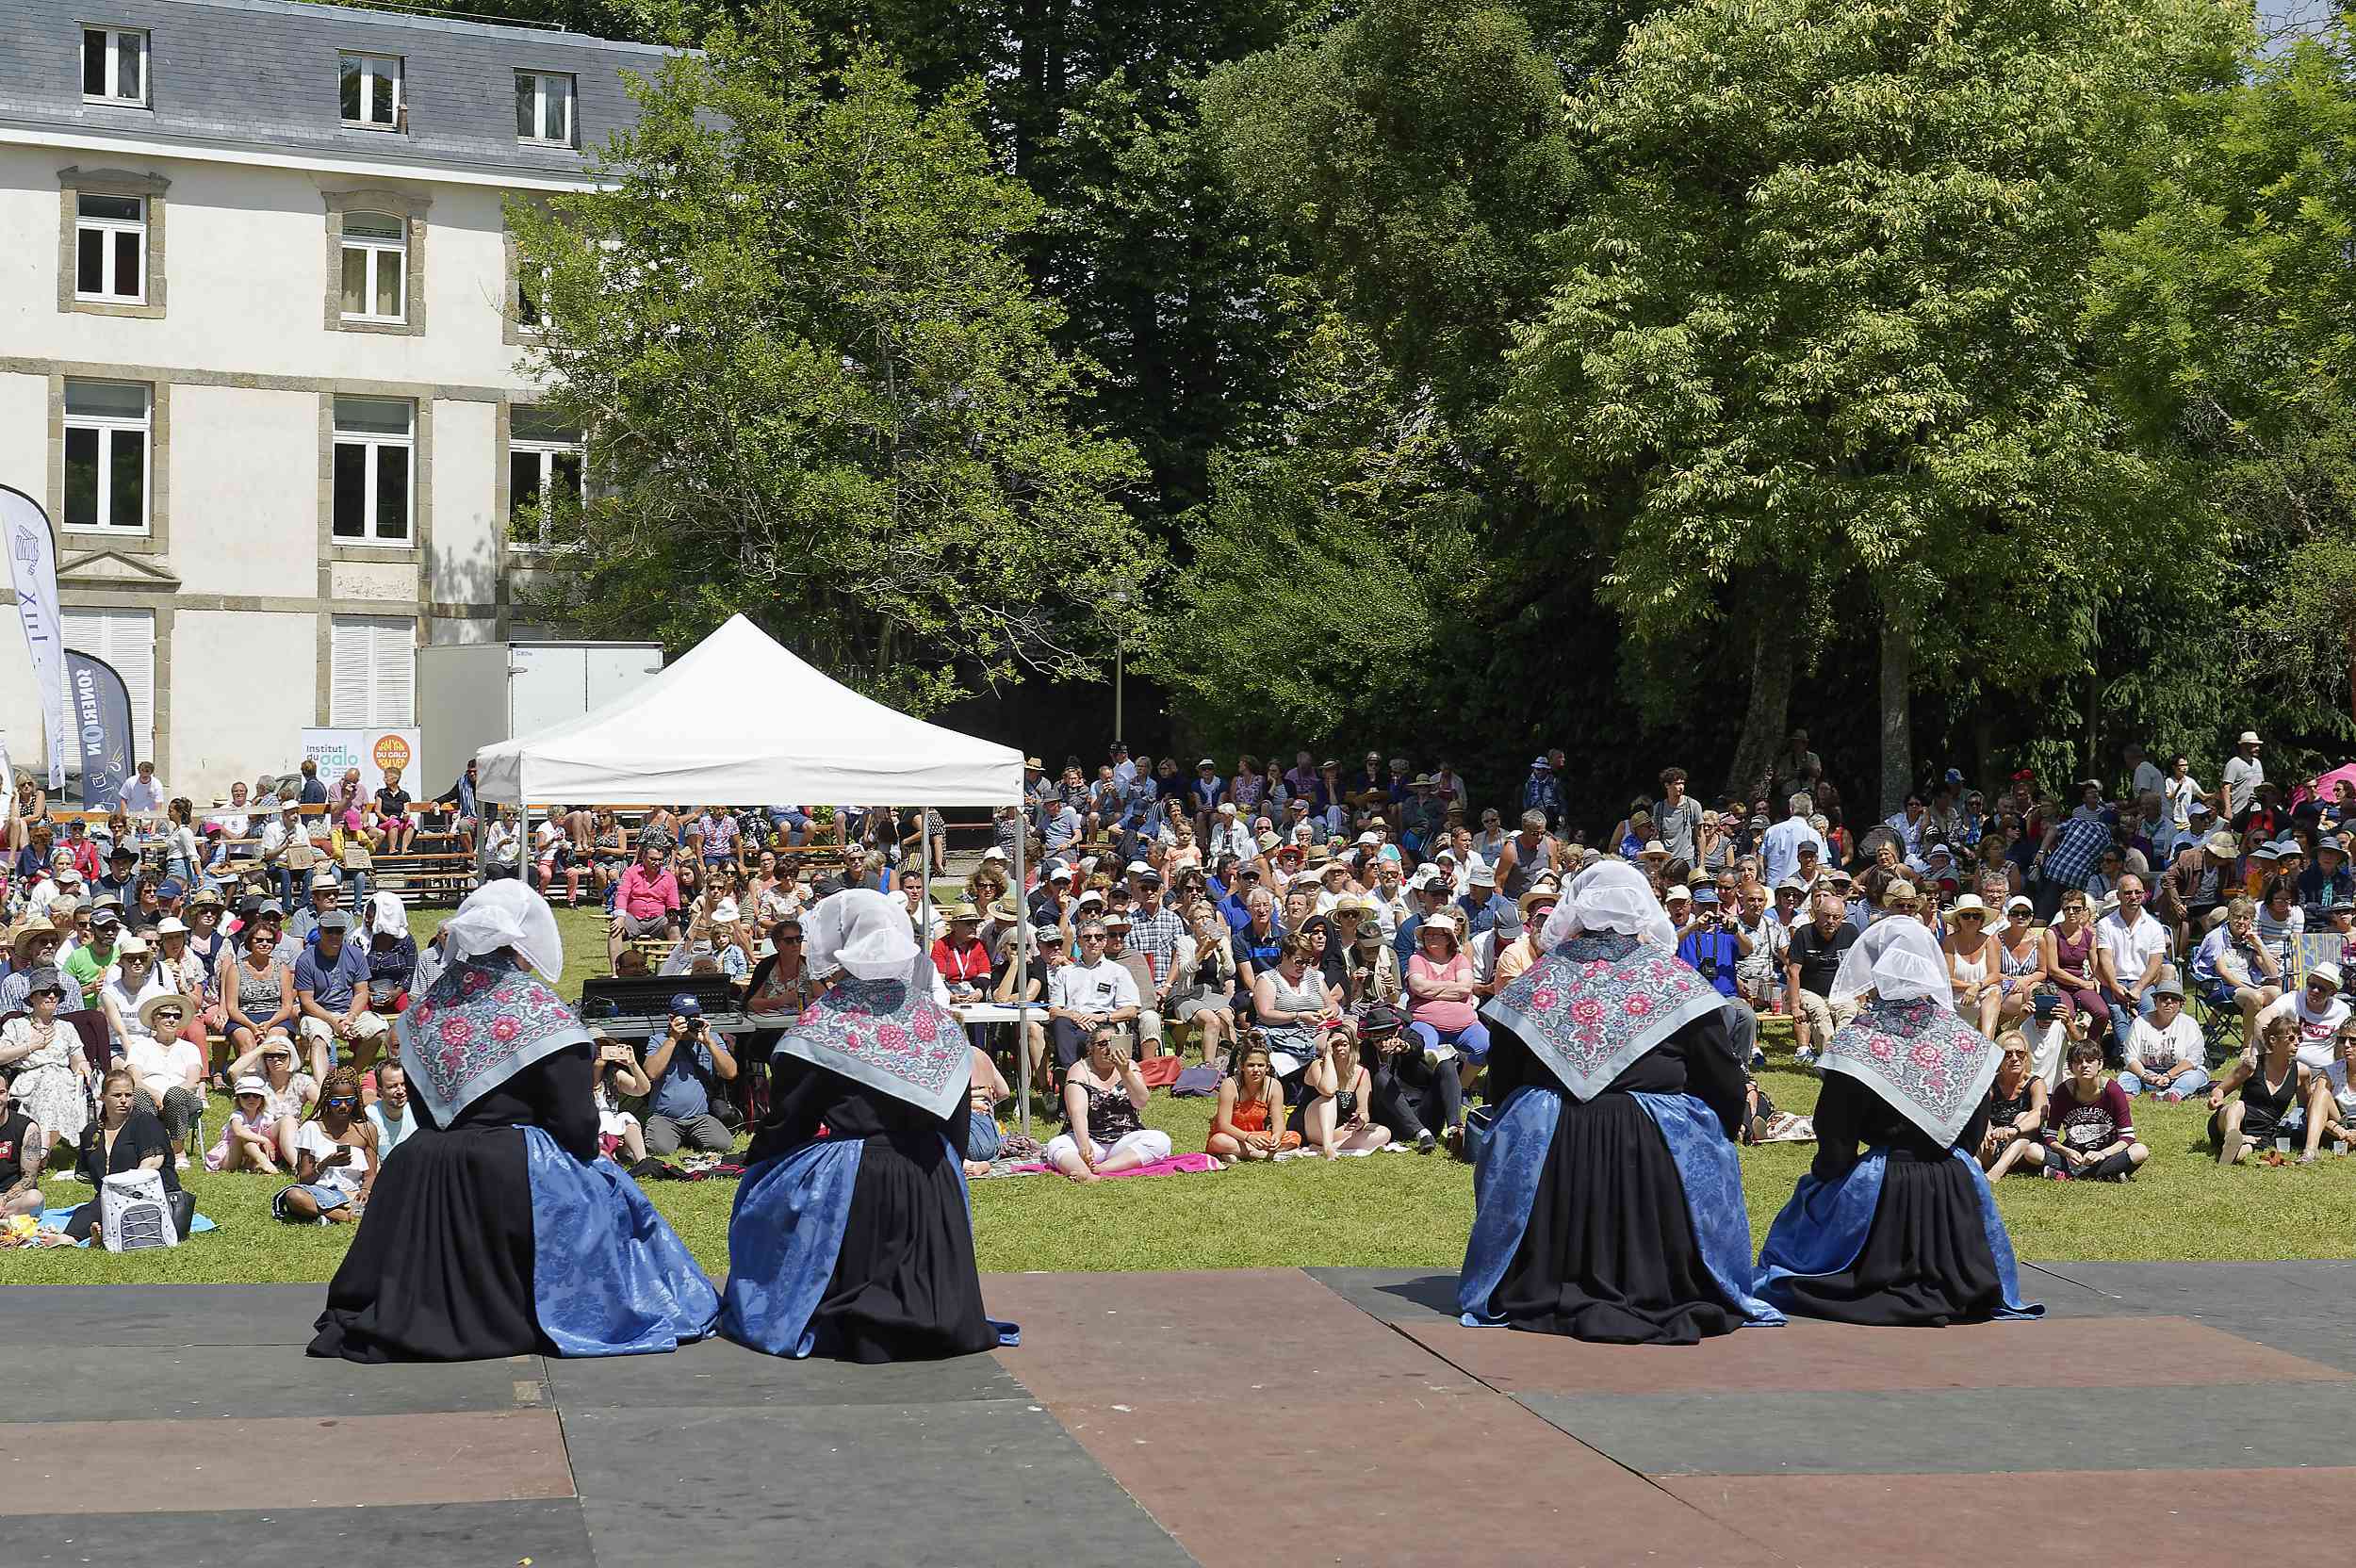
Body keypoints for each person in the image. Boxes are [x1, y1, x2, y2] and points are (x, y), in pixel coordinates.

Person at [313, 879, 719, 1362]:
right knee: (611, 1195)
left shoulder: (423, 1011)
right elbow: (577, 1127)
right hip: (514, 1166)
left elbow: (425, 1112)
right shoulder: (543, 1013)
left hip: (422, 1165)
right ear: (523, 942)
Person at [1459, 862, 1781, 1343]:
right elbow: (1722, 1083)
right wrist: (1718, 1126)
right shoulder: (1677, 983)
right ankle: (1670, 1275)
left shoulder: (1536, 981)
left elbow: (1502, 1085)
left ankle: (1542, 1270)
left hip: (1553, 1147)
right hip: (1654, 1148)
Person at [721, 888, 1016, 1361]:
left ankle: (849, 1315)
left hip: (856, 1179)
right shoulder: (935, 1020)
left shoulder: (822, 1023)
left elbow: (790, 1123)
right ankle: (935, 1312)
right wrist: (946, 1169)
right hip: (931, 1174)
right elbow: (958, 1120)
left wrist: (759, 1166)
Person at [1754, 918, 2041, 1325]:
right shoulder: (1967, 1042)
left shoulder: (1857, 1040)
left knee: (1805, 1231)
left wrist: (1825, 1184)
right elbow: (1975, 1132)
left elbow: (1834, 1142)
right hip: (1953, 1190)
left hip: (1883, 1189)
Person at [63, 1066, 193, 1243]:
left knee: (98, 1208)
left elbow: (152, 1163)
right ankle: (85, 1235)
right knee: (91, 1209)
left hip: (149, 1195)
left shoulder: (145, 1121)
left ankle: (74, 1237)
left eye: (128, 1095)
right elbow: (92, 1175)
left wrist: (118, 1191)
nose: (123, 1100)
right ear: (102, 1097)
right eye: (117, 1095)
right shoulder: (92, 1131)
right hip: (110, 1198)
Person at [1047, 1024, 1172, 1181]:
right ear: (1090, 1049)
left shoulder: (1130, 1066)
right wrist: (1085, 1146)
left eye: (1113, 1042)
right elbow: (1077, 1113)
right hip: (1089, 1138)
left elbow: (1141, 1102)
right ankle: (1081, 1171)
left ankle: (1100, 1169)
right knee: (1056, 1145)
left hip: (1124, 1139)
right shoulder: (1079, 1069)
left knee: (1160, 1141)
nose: (1108, 1048)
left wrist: (1125, 1072)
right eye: (1102, 1044)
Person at [0, 967, 90, 1165]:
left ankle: (41, 1151)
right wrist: (31, 1046)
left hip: (62, 1082)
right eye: (45, 992)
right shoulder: (16, 1025)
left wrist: (84, 1068)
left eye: (56, 992)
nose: (51, 996)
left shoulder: (67, 1028)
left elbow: (78, 1059)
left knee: (54, 1081)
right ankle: (42, 1151)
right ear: (32, 997)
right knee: (48, 1082)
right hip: (28, 1082)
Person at [275, 1066, 379, 1223]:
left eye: (349, 1100)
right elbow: (303, 1180)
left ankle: (327, 1216)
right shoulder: (311, 1128)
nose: (343, 1106)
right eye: (336, 1101)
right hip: (321, 1193)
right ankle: (345, 1216)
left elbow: (370, 1175)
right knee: (294, 1196)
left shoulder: (367, 1129)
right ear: (326, 1100)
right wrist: (325, 1163)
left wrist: (365, 1190)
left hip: (355, 1193)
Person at [641, 995, 740, 1156]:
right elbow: (651, 1073)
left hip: (700, 1117)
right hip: (665, 1117)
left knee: (723, 1144)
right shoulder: (659, 1040)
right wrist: (673, 1038)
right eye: (685, 1018)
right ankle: (676, 1136)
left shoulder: (712, 1039)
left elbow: (730, 1073)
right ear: (671, 1018)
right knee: (660, 1149)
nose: (690, 1022)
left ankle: (690, 1136)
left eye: (694, 1017)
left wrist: (708, 1043)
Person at [2042, 1038, 2150, 1181]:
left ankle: (2071, 1175)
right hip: (2075, 1156)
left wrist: (2103, 1154)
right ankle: (2109, 1174)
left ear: (2100, 1064)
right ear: (2071, 1067)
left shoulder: (2113, 1090)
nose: (2084, 1066)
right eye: (2078, 1062)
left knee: (2140, 1151)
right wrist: (2067, 1151)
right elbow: (2050, 1136)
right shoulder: (2062, 1092)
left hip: (2108, 1155)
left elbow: (2127, 1137)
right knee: (2032, 1151)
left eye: (2090, 1061)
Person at [2209, 1011, 2302, 1166]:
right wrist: (2215, 1100)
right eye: (2292, 1038)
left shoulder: (2301, 1072)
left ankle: (2233, 1149)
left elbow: (2305, 1107)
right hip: (2233, 1119)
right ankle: (2232, 1136)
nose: (2297, 1043)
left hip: (2261, 1132)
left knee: (2241, 1153)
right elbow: (2220, 1090)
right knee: (2238, 1105)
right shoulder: (2252, 1064)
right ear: (2273, 1040)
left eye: (2300, 1039)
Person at [1288, 1024, 1390, 1159]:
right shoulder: (1317, 1066)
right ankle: (1327, 1148)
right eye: (1335, 1045)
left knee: (1383, 1132)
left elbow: (1363, 1111)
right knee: (1329, 1098)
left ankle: (1323, 1147)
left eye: (1344, 1044)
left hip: (1338, 1130)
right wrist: (1328, 1056)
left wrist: (1360, 1121)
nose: (1339, 1048)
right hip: (1310, 1126)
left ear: (1352, 1046)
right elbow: (1329, 1090)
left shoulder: (1361, 1073)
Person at [1786, 887, 1859, 1069]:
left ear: (1842, 918)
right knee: (1821, 1014)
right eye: (1826, 916)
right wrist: (1795, 1006)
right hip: (1809, 990)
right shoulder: (1804, 933)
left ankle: (1845, 1058)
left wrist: (1861, 999)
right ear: (1816, 915)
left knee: (1850, 1012)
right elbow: (1793, 971)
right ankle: (1830, 1064)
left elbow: (1857, 968)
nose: (1830, 921)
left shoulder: (1850, 932)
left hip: (1839, 991)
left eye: (1836, 917)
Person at [1206, 1034, 1298, 1161]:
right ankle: (1263, 1155)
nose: (1256, 1070)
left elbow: (1279, 1122)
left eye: (1260, 1065)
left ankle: (1236, 1154)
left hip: (1258, 1135)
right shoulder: (1230, 1084)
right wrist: (1248, 1137)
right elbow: (1223, 1125)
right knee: (1219, 1141)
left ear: (1267, 1067)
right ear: (1242, 1066)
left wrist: (1276, 1137)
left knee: (1294, 1137)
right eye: (1251, 1065)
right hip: (1231, 1136)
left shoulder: (1274, 1085)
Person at [2118, 976, 2209, 1100]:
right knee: (2127, 1076)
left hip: (2179, 1074)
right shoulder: (2140, 1022)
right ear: (2155, 1001)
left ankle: (2173, 1093)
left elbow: (2194, 1059)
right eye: (2164, 998)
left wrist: (2168, 1075)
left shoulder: (2190, 1024)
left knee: (2195, 1076)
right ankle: (2126, 1094)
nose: (2169, 1002)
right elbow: (2130, 1057)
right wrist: (2145, 1076)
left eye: (2174, 999)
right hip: (2146, 1073)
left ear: (2181, 1003)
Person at [1977, 1032, 2050, 1180]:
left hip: (2021, 1146)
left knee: (2023, 1117)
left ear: (2026, 1055)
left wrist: (2013, 1129)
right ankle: (1974, 1168)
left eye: (2020, 1053)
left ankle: (1995, 1173)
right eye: (2007, 1054)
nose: (2015, 1058)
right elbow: (1977, 1109)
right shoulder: (1990, 1082)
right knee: (1979, 1121)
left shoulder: (2035, 1083)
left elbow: (2040, 1113)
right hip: (1992, 1143)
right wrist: (1986, 1128)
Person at [208, 1074, 284, 1174]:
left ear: (262, 1099)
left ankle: (259, 1164)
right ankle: (263, 1161)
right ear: (238, 1099)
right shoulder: (237, 1116)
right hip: (231, 1155)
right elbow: (239, 1132)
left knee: (254, 1140)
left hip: (250, 1154)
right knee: (246, 1135)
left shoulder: (266, 1117)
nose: (251, 1099)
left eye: (256, 1096)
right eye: (245, 1096)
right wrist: (264, 1140)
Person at [0, 1070, 45, 1217]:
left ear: (7, 1094)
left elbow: (29, 1178)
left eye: (1, 1092)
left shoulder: (27, 1128)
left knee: (34, 1198)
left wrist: (4, 1199)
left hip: (12, 1199)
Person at [366, 1058, 420, 1155]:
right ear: (380, 1091)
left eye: (404, 1084)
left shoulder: (417, 1114)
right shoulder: (370, 1118)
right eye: (393, 1086)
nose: (400, 1091)